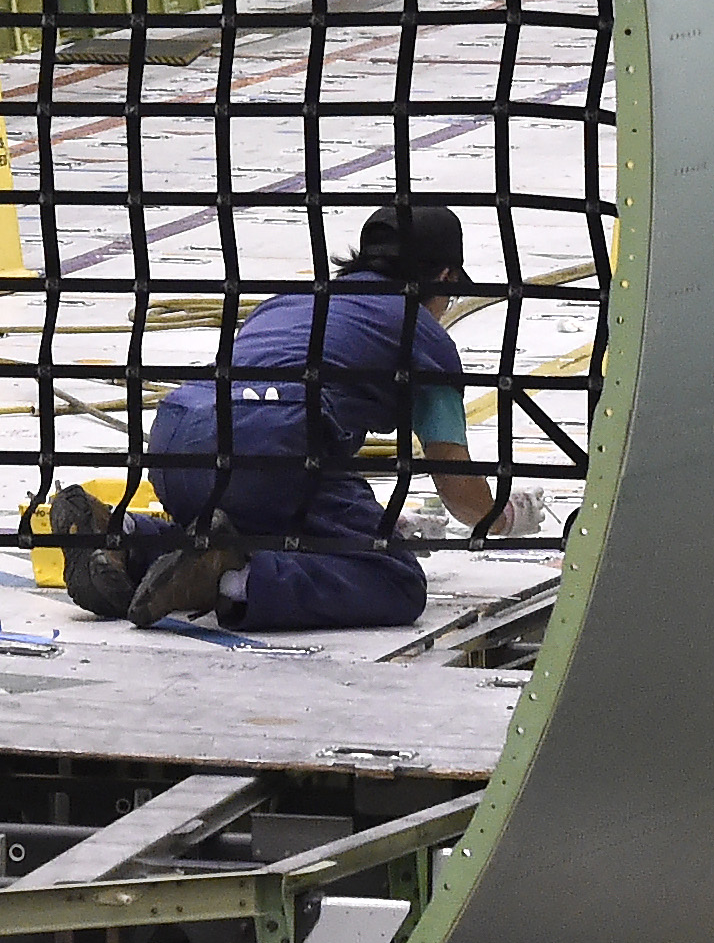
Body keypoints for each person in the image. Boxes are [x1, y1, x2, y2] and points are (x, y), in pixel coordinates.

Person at [53, 201, 514, 632]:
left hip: (175, 437)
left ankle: (125, 538)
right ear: (447, 277)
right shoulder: (425, 341)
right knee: (394, 579)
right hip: (268, 440)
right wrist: (505, 517)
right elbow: (458, 487)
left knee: (264, 525)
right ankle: (231, 578)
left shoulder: (292, 301)